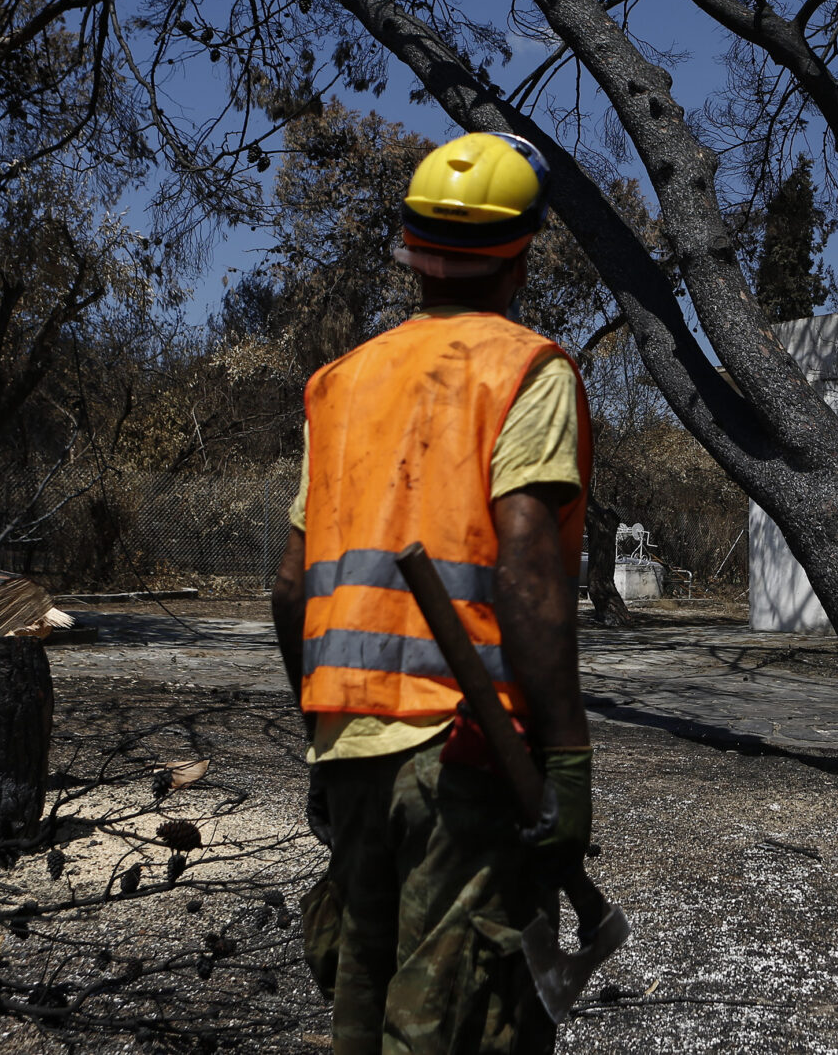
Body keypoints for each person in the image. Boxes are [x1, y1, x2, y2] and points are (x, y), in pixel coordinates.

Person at [269, 130, 593, 1055]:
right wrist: (566, 756)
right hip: (466, 751)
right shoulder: (526, 369)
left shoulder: (340, 384)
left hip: (352, 744)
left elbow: (293, 587)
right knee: (455, 1026)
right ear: (521, 253)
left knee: (362, 1007)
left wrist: (320, 738)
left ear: (410, 250)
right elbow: (525, 566)